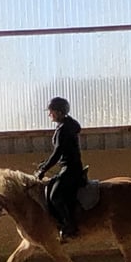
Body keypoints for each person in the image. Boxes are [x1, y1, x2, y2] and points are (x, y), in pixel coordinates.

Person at [35, 96, 84, 242]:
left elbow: (57, 153)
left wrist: (43, 170)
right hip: (69, 166)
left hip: (71, 168)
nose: (49, 114)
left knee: (55, 196)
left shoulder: (64, 129)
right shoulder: (66, 126)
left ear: (59, 112)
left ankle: (70, 227)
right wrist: (44, 165)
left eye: (51, 111)